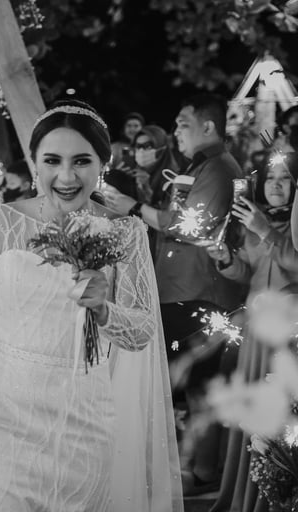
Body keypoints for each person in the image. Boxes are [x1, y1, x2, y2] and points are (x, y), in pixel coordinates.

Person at [0, 100, 182, 511]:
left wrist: (105, 310)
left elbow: (142, 331)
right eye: (52, 160)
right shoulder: (1, 222)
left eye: (82, 161)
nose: (66, 176)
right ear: (34, 162)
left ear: (103, 164)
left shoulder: (126, 232)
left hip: (84, 418)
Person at [105, 93, 245, 495]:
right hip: (181, 288)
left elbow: (189, 226)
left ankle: (198, 472)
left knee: (189, 385)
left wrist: (134, 207)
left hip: (199, 291)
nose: (176, 131)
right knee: (192, 386)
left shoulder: (218, 168)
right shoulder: (198, 165)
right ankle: (195, 470)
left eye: (183, 123)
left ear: (208, 126)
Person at [210, 153, 298, 512]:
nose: (275, 185)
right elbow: (249, 273)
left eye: (285, 178)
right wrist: (226, 260)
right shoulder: (253, 218)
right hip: (256, 329)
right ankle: (246, 496)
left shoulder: (279, 222)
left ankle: (277, 497)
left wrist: (266, 231)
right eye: (270, 178)